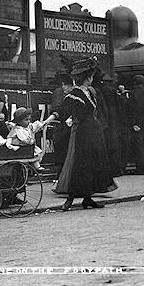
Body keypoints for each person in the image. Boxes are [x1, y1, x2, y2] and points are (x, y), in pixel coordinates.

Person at [51, 58, 117, 210]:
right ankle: (70, 199)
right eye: (91, 76)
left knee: (94, 164)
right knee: (80, 165)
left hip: (94, 133)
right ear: (87, 77)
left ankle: (88, 199)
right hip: (82, 134)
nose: (92, 78)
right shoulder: (75, 94)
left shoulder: (91, 92)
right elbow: (62, 111)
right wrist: (45, 121)